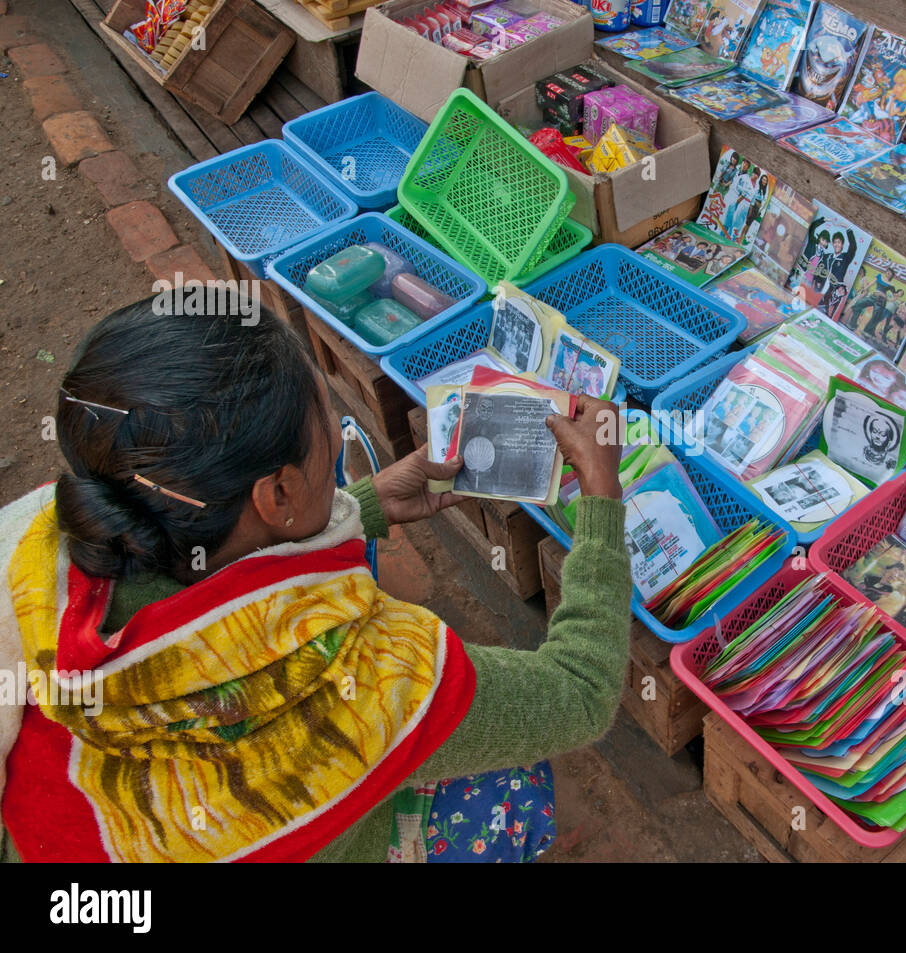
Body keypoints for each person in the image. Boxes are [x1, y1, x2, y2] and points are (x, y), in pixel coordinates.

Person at [0, 303, 633, 863]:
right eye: (326, 425)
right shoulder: (372, 682)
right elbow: (581, 694)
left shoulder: (39, 547)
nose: (335, 433)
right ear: (277, 494)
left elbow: (223, 587)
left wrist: (367, 503)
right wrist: (603, 506)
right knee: (517, 786)